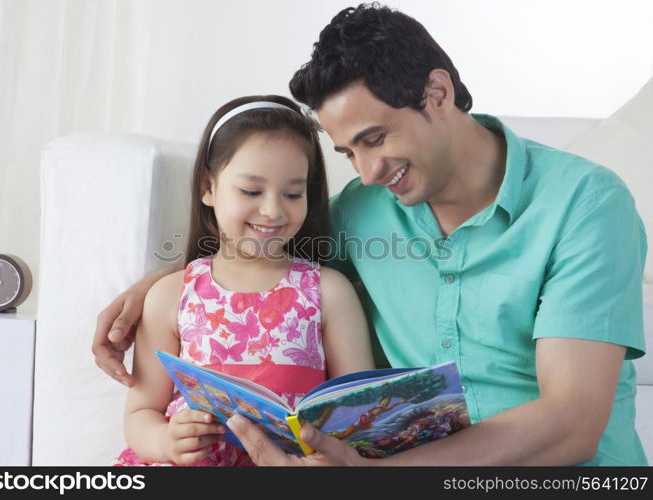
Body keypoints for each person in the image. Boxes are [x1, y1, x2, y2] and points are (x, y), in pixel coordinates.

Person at [95, 4, 648, 466]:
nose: (366, 172)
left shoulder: (585, 205)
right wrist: (158, 285)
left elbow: (572, 423)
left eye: (375, 138)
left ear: (437, 92)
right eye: (347, 153)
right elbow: (261, 250)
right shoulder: (367, 208)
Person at [111, 94, 374, 466]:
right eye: (251, 191)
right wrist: (166, 441)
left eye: (293, 193)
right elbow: (140, 413)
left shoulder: (328, 291)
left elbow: (360, 412)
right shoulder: (170, 295)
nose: (273, 210)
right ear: (209, 187)